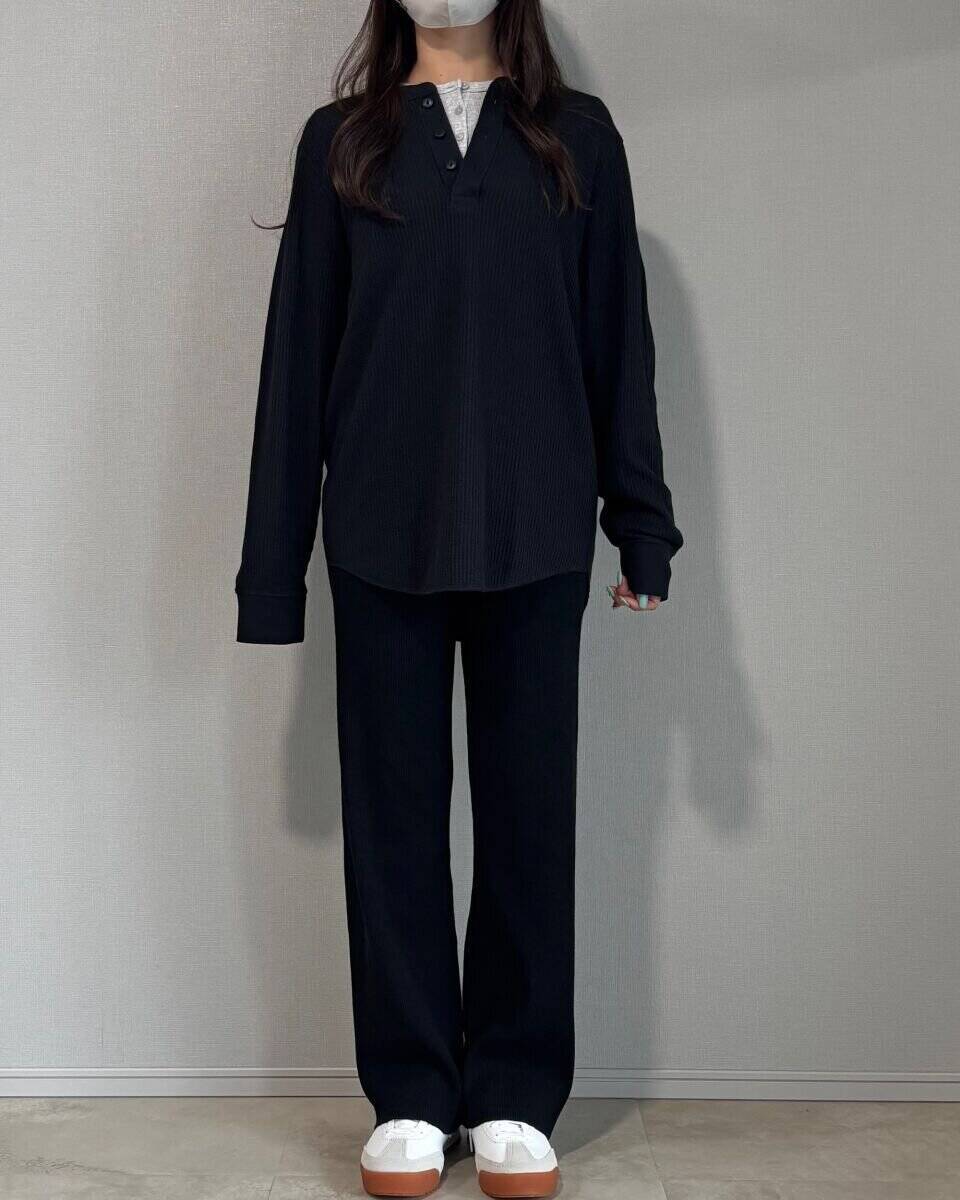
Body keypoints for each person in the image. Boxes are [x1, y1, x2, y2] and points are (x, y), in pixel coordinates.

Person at [235, 1, 683, 1195]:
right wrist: (272, 572)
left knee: (531, 818)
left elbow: (617, 339)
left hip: (537, 528)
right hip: (380, 530)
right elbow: (296, 358)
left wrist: (641, 525)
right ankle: (412, 1096)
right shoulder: (343, 142)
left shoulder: (576, 139)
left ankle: (516, 1095)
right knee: (390, 822)